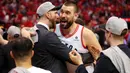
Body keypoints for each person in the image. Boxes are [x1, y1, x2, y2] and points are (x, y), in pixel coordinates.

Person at [54, 1, 102, 73]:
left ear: (76, 16)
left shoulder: (86, 34)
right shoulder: (53, 30)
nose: (63, 15)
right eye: (61, 12)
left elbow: (100, 59)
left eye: (67, 13)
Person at [31, 2, 73, 73]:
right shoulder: (48, 35)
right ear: (48, 14)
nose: (58, 16)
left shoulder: (31, 31)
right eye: (56, 13)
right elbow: (69, 55)